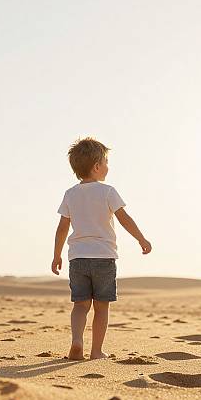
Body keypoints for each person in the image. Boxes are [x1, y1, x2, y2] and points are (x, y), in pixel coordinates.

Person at [51, 137, 151, 360]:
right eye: (106, 162)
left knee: (80, 305)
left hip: (77, 258)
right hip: (104, 258)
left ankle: (76, 341)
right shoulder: (107, 191)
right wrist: (141, 238)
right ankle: (96, 351)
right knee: (101, 308)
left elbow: (62, 228)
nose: (108, 166)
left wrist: (57, 255)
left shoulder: (70, 194)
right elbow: (124, 218)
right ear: (97, 167)